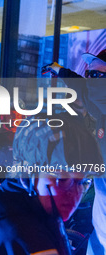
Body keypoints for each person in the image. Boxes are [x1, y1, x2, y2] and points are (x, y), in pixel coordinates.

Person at [0, 114, 104, 255]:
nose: (74, 193)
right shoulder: (21, 231)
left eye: (82, 182)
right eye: (62, 180)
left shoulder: (4, 199)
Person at [42, 49, 106, 254]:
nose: (89, 80)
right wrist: (59, 70)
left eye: (96, 75)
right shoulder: (98, 105)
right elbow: (79, 85)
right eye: (89, 74)